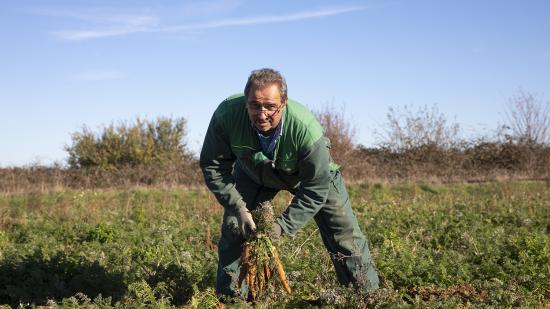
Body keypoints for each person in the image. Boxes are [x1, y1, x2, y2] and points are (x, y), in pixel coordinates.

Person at [200, 68, 379, 298]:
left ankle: (366, 297)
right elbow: (213, 166)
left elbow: (316, 188)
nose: (262, 114)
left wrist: (282, 226)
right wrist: (238, 207)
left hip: (310, 176)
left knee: (344, 236)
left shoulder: (305, 130)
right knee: (235, 229)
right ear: (246, 102)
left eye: (270, 107)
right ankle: (232, 299)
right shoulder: (227, 115)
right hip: (254, 172)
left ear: (283, 103)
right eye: (255, 105)